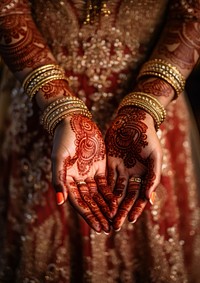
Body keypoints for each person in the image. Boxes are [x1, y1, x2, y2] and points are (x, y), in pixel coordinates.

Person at [0, 0, 200, 282]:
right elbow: (8, 8)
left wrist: (145, 107)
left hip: (150, 122)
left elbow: (192, 12)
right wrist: (61, 108)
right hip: (43, 111)